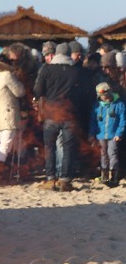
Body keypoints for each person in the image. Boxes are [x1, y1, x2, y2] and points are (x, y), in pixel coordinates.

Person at [34, 43, 83, 192]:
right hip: (69, 114)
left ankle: (50, 179)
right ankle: (65, 180)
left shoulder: (46, 69)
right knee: (68, 148)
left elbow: (38, 90)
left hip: (51, 114)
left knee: (49, 147)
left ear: (56, 54)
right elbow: (81, 93)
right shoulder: (76, 71)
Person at [0, 58, 26, 164]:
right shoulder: (6, 75)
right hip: (9, 112)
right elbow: (19, 92)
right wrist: (18, 80)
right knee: (6, 143)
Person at [89, 82, 124, 187]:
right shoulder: (97, 105)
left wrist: (119, 133)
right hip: (101, 135)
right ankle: (104, 175)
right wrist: (91, 134)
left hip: (113, 135)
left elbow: (123, 120)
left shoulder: (119, 104)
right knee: (103, 154)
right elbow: (93, 121)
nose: (104, 98)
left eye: (106, 96)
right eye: (102, 96)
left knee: (112, 153)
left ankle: (114, 176)